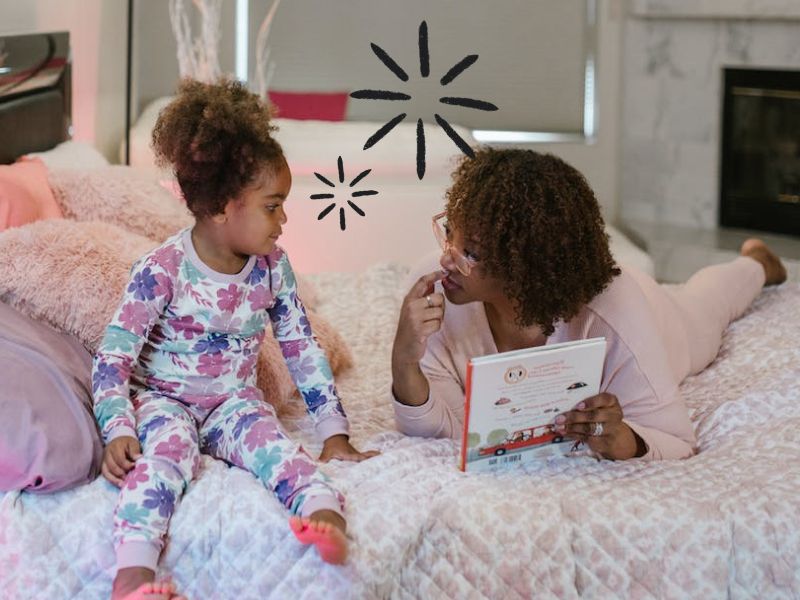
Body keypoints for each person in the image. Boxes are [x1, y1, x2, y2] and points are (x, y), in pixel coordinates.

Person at [92, 79, 377, 600]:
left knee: (278, 451)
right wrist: (117, 428)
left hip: (234, 403)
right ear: (223, 206)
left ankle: (324, 518)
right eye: (272, 205)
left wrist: (333, 431)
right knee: (163, 460)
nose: (285, 218)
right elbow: (113, 357)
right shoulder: (163, 269)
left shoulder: (272, 268)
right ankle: (132, 575)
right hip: (164, 401)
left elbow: (300, 345)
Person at [391, 148, 787, 462]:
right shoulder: (436, 292)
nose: (446, 257)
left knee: (706, 306)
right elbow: (445, 430)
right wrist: (404, 362)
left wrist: (624, 440)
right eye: (449, 234)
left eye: (471, 252)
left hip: (657, 317)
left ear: (524, 264)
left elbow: (677, 439)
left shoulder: (615, 314)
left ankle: (756, 263)